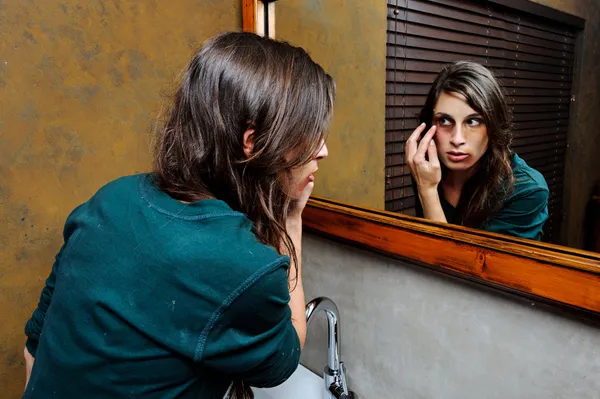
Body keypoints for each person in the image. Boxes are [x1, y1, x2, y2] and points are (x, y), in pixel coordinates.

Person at [22, 32, 335, 399]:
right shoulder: (240, 267)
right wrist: (291, 217)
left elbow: (36, 342)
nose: (324, 150)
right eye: (310, 134)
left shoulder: (111, 197)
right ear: (254, 144)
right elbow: (286, 356)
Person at [406, 61, 549, 241]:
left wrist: (427, 191)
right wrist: (427, 188)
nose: (457, 139)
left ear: (493, 126)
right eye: (444, 120)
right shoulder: (426, 169)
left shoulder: (527, 190)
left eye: (473, 121)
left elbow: (461, 267)